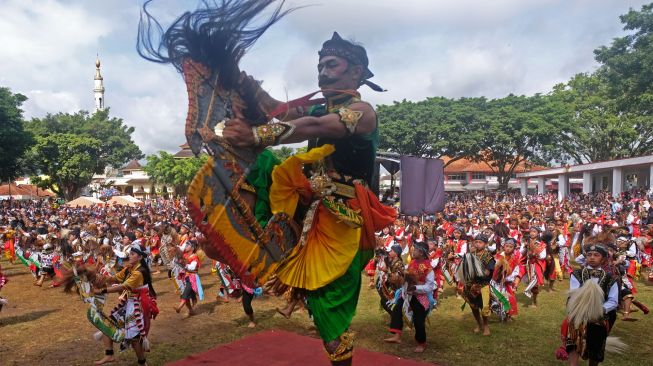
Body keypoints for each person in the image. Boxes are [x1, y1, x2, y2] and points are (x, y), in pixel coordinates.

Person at [222, 31, 395, 365]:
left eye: (332, 65)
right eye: (320, 66)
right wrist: (243, 82)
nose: (323, 72)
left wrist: (258, 134)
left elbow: (316, 124)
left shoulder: (363, 111)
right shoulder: (318, 105)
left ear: (356, 71)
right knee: (260, 167)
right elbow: (276, 109)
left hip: (343, 219)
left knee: (330, 305)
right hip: (308, 207)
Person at [92, 243, 158, 366]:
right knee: (107, 325)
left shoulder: (139, 272)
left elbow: (124, 286)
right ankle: (109, 355)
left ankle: (142, 363)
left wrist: (101, 290)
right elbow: (116, 278)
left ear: (140, 257)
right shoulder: (129, 268)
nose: (129, 256)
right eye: (130, 253)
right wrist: (98, 278)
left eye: (132, 254)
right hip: (128, 303)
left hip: (137, 306)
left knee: (134, 338)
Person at [560, 244, 618, 366]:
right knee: (573, 344)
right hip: (578, 315)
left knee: (595, 350)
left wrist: (600, 310)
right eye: (589, 255)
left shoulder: (610, 279)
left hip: (599, 318)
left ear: (603, 259)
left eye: (596, 255)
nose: (592, 257)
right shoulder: (577, 274)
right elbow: (574, 293)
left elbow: (613, 301)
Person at [383, 241, 435, 353]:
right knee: (397, 310)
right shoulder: (411, 263)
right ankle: (397, 336)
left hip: (419, 297)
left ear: (421, 252)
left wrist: (416, 288)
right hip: (407, 294)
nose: (412, 251)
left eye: (415, 249)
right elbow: (404, 273)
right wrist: (397, 277)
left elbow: (430, 286)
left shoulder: (428, 267)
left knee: (418, 320)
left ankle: (422, 342)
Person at [461, 234, 496, 336]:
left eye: (480, 242)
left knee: (484, 306)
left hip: (482, 285)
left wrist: (476, 272)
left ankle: (485, 326)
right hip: (470, 285)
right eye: (476, 242)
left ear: (485, 244)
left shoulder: (488, 257)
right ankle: (479, 324)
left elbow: (487, 272)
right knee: (473, 306)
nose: (477, 244)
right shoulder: (470, 255)